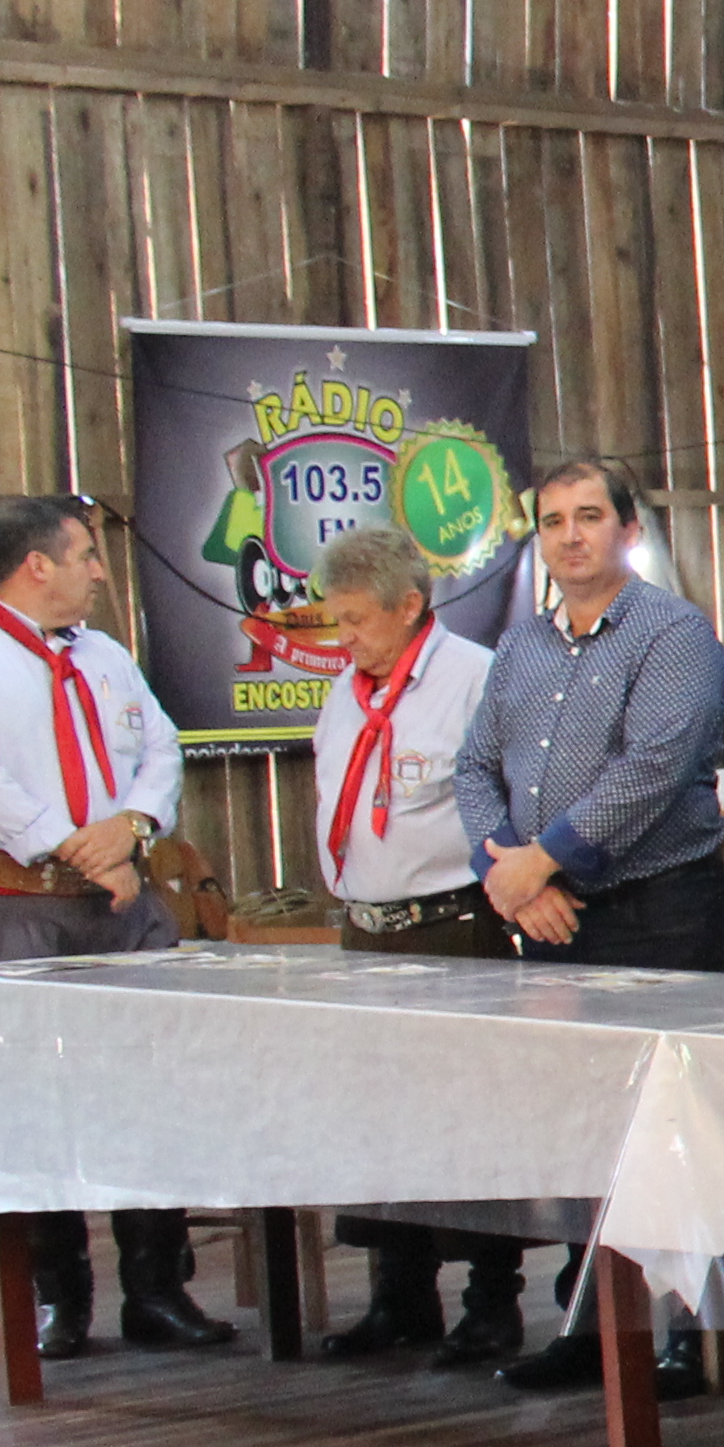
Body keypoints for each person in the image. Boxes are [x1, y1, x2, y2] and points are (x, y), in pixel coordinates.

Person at [0, 494, 227, 1357]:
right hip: (13, 906)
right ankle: (59, 1296)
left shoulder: (106, 656)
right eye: (85, 554)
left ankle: (156, 1289)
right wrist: (80, 850)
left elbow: (159, 749)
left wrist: (137, 828)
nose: (100, 570)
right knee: (29, 1097)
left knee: (149, 1090)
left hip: (119, 903)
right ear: (36, 564)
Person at [463, 458, 724, 1398]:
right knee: (581, 1136)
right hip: (551, 920)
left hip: (657, 914)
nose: (569, 536)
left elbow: (653, 765)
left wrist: (548, 858)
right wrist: (504, 871)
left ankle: (693, 1335)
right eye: (551, 521)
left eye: (588, 517)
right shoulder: (520, 648)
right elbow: (472, 770)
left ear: (628, 529)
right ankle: (591, 1326)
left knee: (674, 1129)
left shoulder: (673, 634)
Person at [300, 521, 525, 1364]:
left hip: (453, 925)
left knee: (471, 1120)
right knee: (380, 1119)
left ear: (410, 605)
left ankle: (491, 1302)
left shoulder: (473, 680)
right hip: (369, 930)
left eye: (357, 619)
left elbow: (505, 800)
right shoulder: (345, 690)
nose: (343, 636)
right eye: (335, 619)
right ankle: (399, 1297)